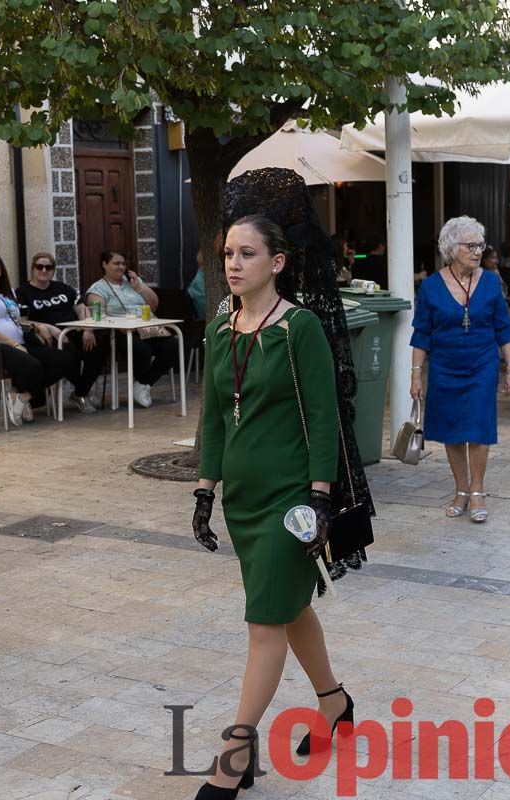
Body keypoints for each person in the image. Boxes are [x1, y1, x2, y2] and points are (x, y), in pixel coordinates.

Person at [192, 215, 349, 799]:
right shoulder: (218, 331)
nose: (233, 264)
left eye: (247, 253)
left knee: (264, 624)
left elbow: (327, 415)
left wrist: (321, 497)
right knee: (287, 608)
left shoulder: (299, 329)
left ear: (276, 262)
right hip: (243, 502)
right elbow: (211, 417)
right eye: (228, 252)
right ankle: (334, 702)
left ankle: (234, 754)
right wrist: (206, 490)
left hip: (292, 502)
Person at [411, 217, 510, 521]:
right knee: (452, 430)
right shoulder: (431, 286)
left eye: (479, 245)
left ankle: (477, 490)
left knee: (479, 427)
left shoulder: (490, 281)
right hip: (445, 366)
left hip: (483, 364)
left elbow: (503, 326)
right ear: (450, 247)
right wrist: (415, 374)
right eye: (470, 245)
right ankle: (460, 489)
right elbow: (421, 333)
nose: (477, 251)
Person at [0, 250, 81, 425]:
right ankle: (21, 398)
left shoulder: (8, 292)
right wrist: (12, 343)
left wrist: (40, 326)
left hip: (18, 344)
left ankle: (21, 396)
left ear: (1, 266)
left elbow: (17, 321)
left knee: (65, 359)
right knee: (33, 366)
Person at [14, 251, 104, 414]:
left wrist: (88, 329)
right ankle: (82, 393)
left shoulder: (64, 289)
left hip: (74, 331)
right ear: (33, 269)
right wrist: (44, 326)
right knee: (70, 355)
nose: (43, 270)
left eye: (48, 267)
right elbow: (22, 321)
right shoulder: (23, 292)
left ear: (53, 270)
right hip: (49, 338)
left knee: (99, 347)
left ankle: (80, 392)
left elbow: (81, 308)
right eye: (39, 266)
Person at [85, 251, 175, 409]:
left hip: (148, 328)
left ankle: (142, 384)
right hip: (122, 332)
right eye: (116, 263)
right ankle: (141, 384)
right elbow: (100, 316)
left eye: (123, 264)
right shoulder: (98, 288)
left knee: (172, 346)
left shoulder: (133, 282)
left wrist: (139, 287)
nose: (121, 267)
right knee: (142, 350)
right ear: (104, 265)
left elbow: (154, 304)